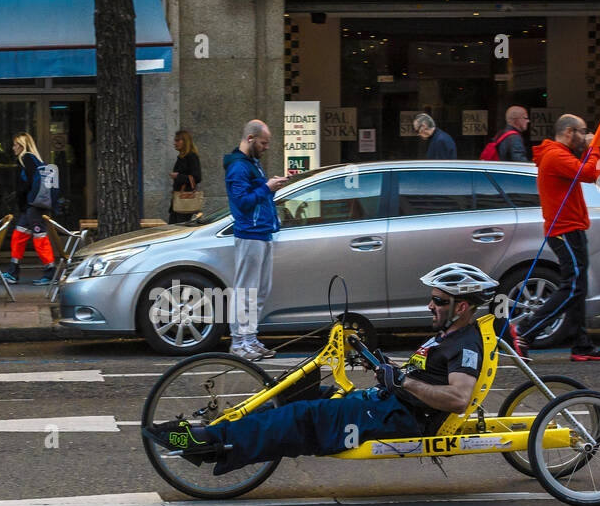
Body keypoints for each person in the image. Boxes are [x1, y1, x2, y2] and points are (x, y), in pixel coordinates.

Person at [148, 264, 494, 475]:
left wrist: (402, 380)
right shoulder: (445, 336)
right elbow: (419, 378)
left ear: (461, 306)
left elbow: (458, 399)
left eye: (439, 301)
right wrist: (386, 366)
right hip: (385, 403)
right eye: (432, 298)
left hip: (396, 417)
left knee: (301, 418)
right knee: (295, 395)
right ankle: (224, 431)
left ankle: (208, 443)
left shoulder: (463, 345)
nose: (430, 305)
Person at [515, 114, 600, 362]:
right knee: (573, 287)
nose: (584, 136)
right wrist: (594, 147)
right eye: (582, 131)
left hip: (571, 229)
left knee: (579, 288)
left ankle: (581, 344)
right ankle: (525, 331)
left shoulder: (558, 154)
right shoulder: (556, 155)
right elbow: (590, 174)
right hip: (565, 230)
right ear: (569, 132)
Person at [225, 119, 289, 360]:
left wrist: (267, 185)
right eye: (263, 142)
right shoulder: (239, 167)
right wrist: (267, 187)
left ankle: (249, 339)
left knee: (259, 290)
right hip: (250, 233)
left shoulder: (249, 164)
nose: (266, 147)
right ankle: (239, 342)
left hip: (260, 232)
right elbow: (242, 202)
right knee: (247, 291)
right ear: (250, 138)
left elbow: (249, 195)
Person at [0, 132, 56, 286]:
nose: (13, 148)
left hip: (33, 208)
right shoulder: (34, 159)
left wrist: (21, 197)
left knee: (40, 238)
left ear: (22, 146)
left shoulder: (27, 158)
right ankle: (12, 272)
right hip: (30, 207)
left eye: (15, 145)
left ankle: (50, 272)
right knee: (18, 236)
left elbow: (27, 184)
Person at [169, 130, 204, 224]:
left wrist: (178, 176)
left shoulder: (191, 156)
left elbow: (197, 177)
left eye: (177, 140)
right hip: (179, 201)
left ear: (185, 141)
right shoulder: (182, 157)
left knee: (179, 229)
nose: (174, 143)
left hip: (185, 202)